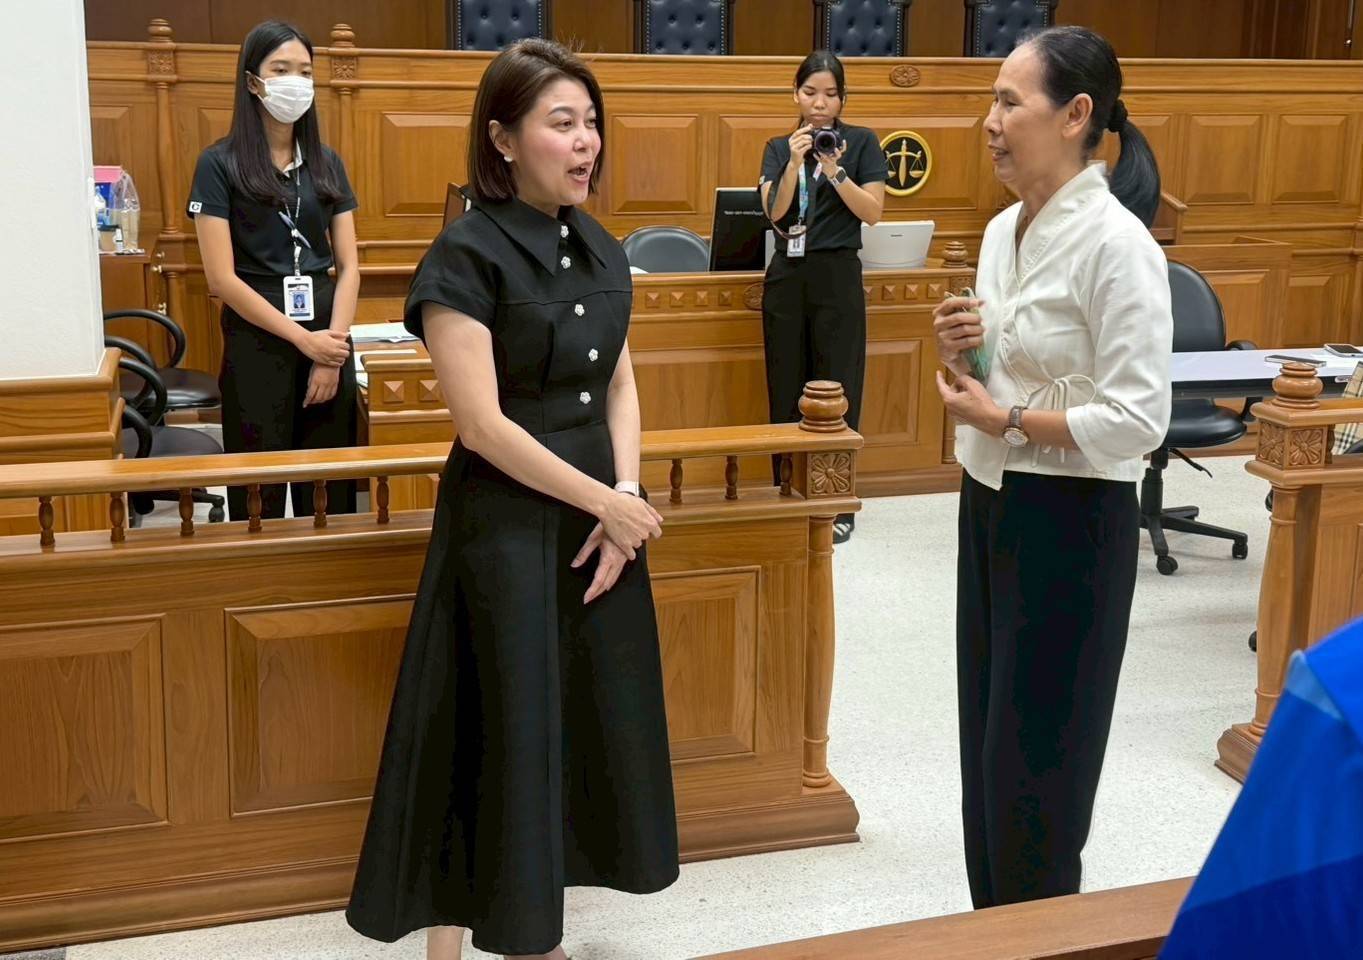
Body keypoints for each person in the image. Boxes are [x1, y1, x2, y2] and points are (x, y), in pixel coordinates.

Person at [345, 39, 680, 960]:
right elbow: (481, 426)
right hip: (504, 528)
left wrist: (624, 493)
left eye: (592, 123)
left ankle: (537, 928)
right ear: (501, 139)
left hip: (594, 521)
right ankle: (459, 949)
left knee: (569, 734)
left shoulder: (599, 245)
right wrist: (605, 505)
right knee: (491, 734)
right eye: (560, 123)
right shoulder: (465, 253)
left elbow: (619, 383)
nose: (585, 143)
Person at [931, 26, 1171, 908]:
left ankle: (1037, 932)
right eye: (989, 100)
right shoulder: (1001, 230)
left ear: (1075, 115)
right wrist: (966, 352)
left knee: (1041, 767)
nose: (987, 121)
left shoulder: (1119, 247)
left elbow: (1137, 419)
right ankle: (993, 926)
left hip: (1071, 524)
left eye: (1007, 102)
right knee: (987, 749)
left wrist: (1011, 417)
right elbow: (1003, 375)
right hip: (989, 500)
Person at [188, 20, 359, 521]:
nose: (296, 82)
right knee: (258, 492)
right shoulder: (218, 164)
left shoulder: (327, 163)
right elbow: (221, 279)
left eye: (305, 71)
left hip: (328, 337)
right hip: (258, 341)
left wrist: (331, 351)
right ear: (252, 82)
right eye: (280, 69)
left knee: (330, 491)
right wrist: (304, 344)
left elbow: (349, 267)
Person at [759, 50, 887, 543]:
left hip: (837, 273)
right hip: (788, 274)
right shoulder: (777, 146)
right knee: (785, 381)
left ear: (842, 98)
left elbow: (872, 212)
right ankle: (785, 492)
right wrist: (795, 162)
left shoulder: (861, 143)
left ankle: (837, 502)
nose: (820, 103)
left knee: (838, 382)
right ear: (796, 94)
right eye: (810, 92)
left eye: (830, 94)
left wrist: (834, 169)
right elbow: (776, 211)